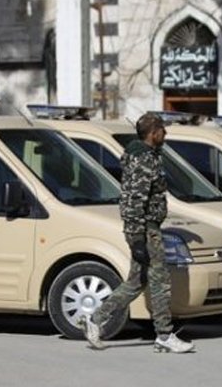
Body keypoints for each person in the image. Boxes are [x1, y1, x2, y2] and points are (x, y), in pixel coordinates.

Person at [79, 113, 194, 353]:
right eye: (162, 129)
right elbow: (134, 199)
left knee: (136, 281)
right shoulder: (143, 160)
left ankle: (96, 319)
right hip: (146, 229)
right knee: (160, 280)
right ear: (153, 133)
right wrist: (138, 239)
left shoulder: (147, 155)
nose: (165, 133)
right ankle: (164, 335)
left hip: (146, 227)